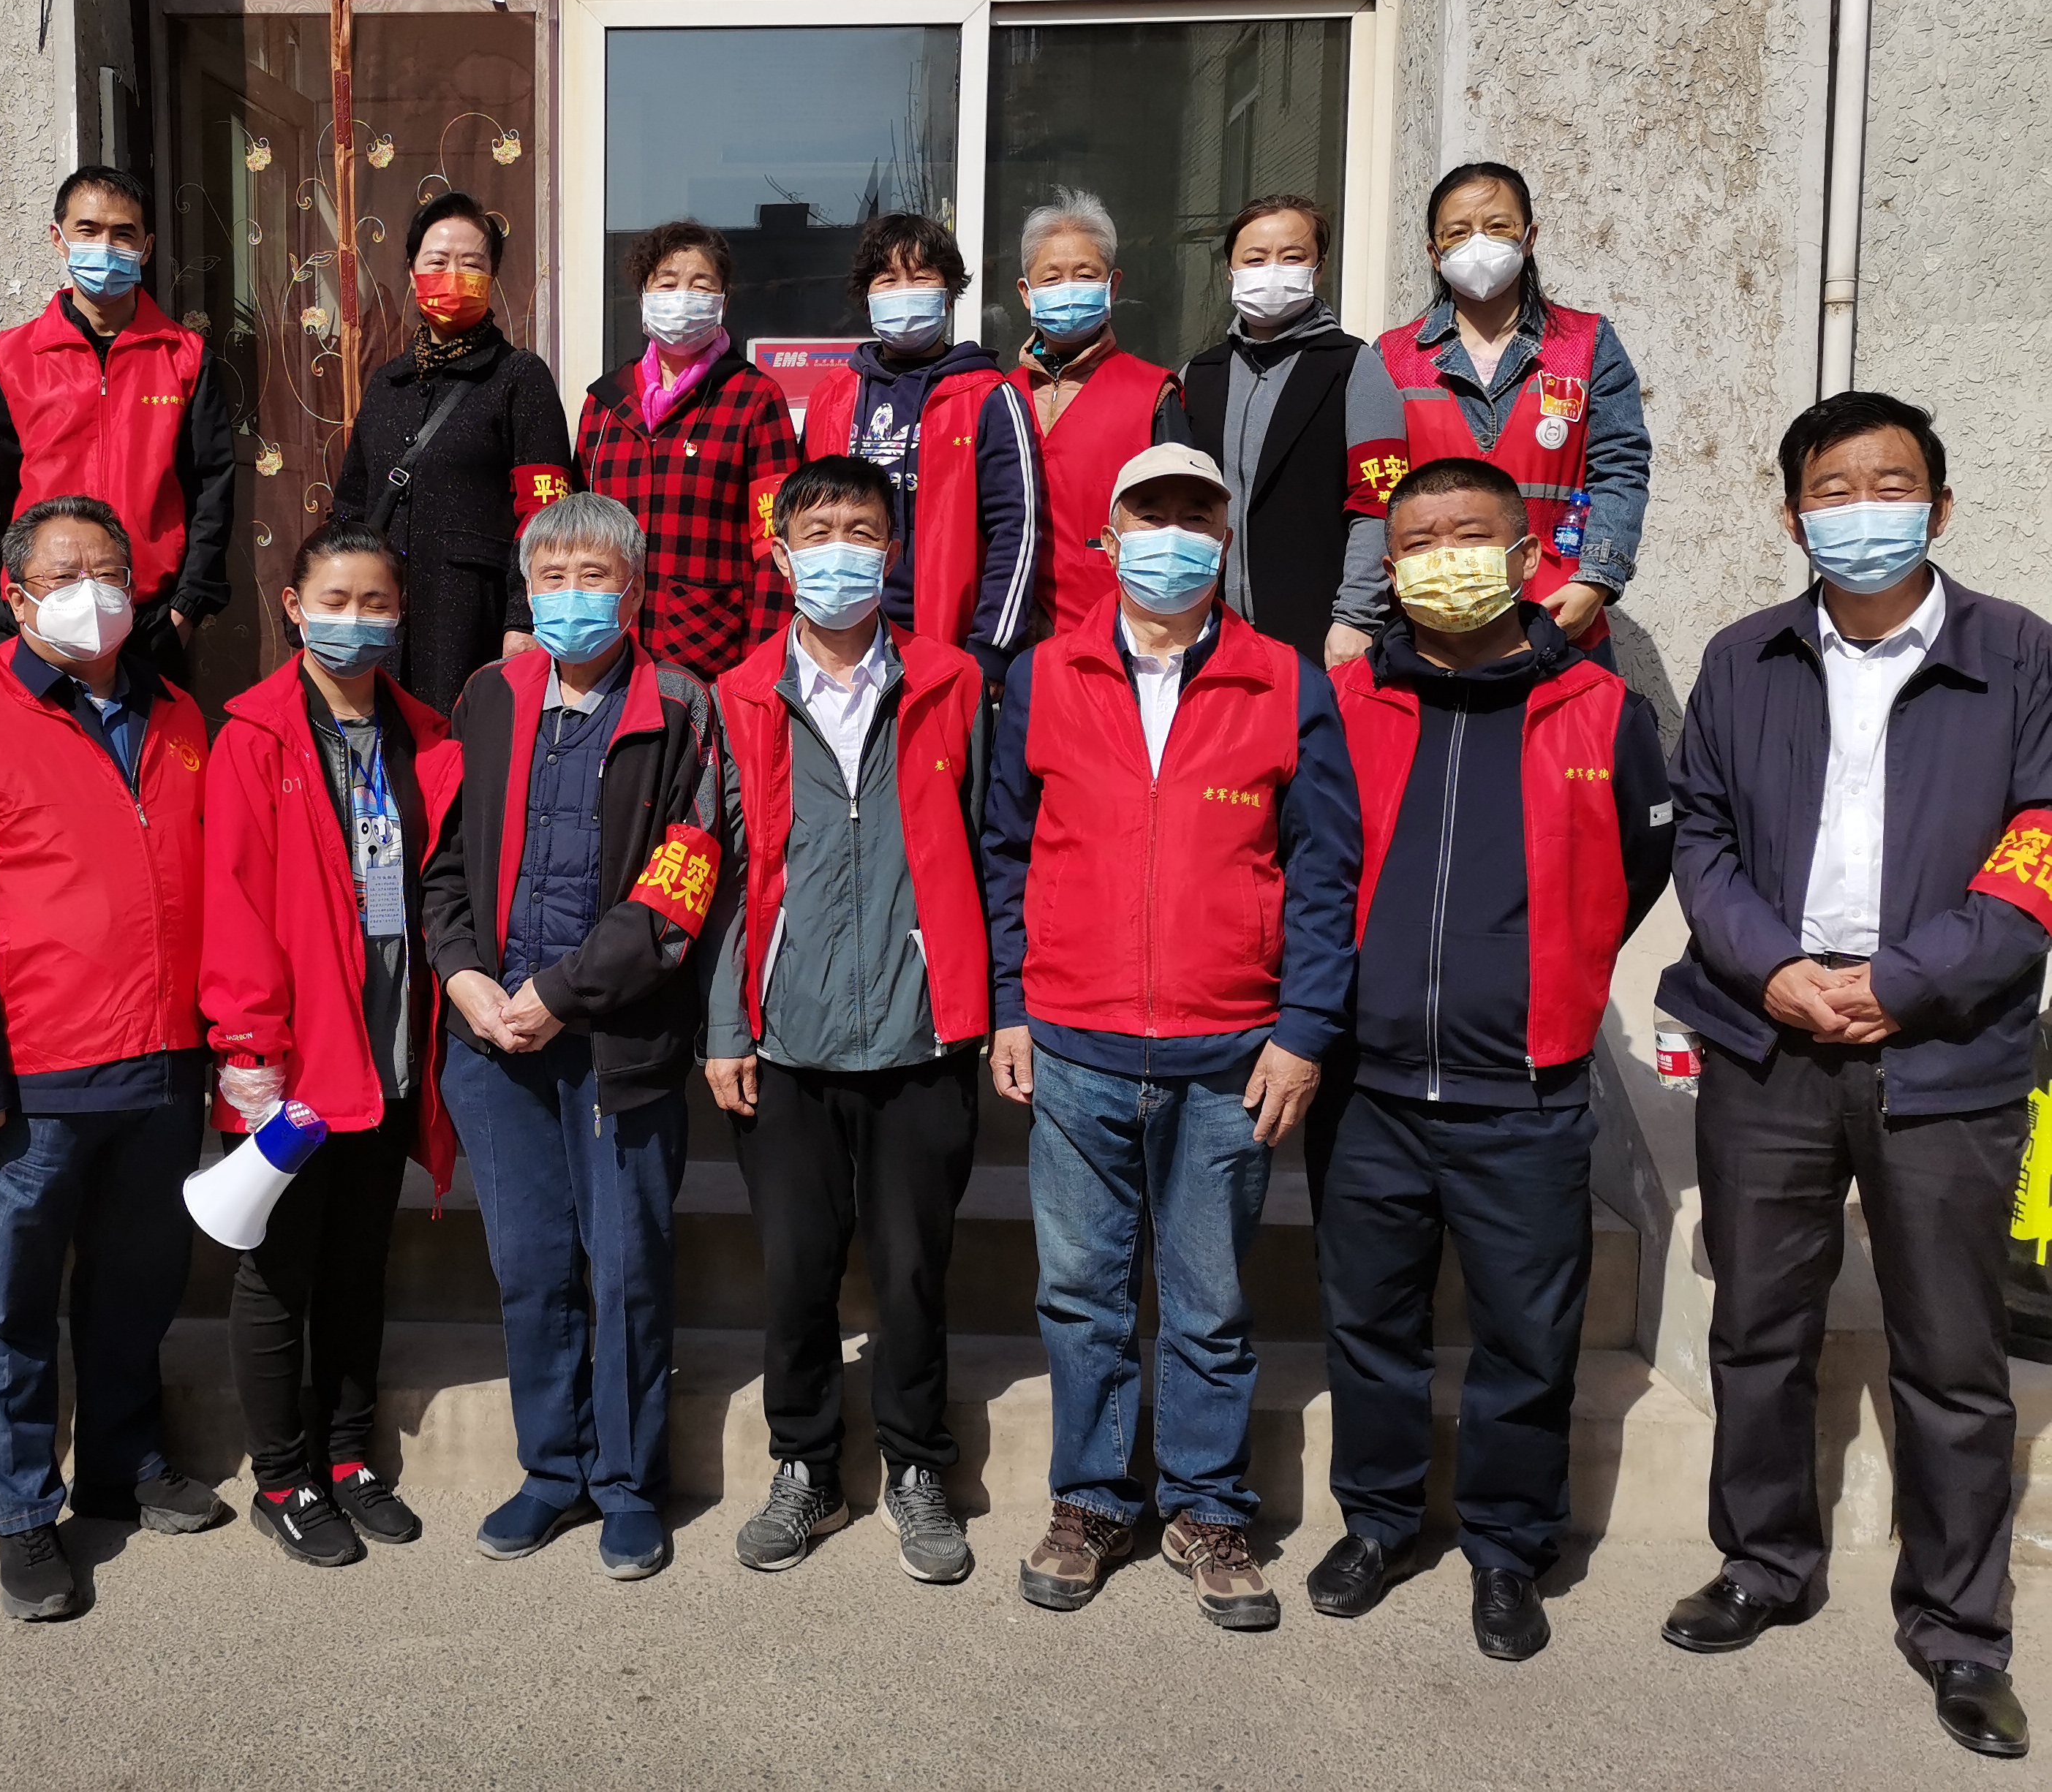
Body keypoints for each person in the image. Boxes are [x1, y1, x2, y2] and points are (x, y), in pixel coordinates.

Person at [1655, 392, 2047, 1762]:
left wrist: (1908, 981)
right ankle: (1765, 1561)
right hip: (1770, 1038)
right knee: (1760, 1326)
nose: (1863, 509)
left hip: (1945, 1049)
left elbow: (2042, 842)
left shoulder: (2020, 655)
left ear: (1939, 506)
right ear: (1792, 515)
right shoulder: (1743, 657)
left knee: (1953, 1355)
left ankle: (1960, 1629)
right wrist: (1772, 967)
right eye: (1834, 489)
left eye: (1892, 485)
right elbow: (1700, 836)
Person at [983, 442, 1359, 1633]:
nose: (1174, 538)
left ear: (1226, 540)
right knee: (1082, 1295)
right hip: (1077, 1043)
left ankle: (1205, 1508)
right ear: (1109, 537)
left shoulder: (1283, 682)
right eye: (1151, 516)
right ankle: (1093, 1501)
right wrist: (1008, 1003)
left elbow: (1325, 871)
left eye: (1197, 516)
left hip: (1230, 1051)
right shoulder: (1043, 677)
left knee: (1209, 1301)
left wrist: (1304, 1031)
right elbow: (1004, 851)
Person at [1302, 457, 1673, 1662]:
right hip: (1369, 1092)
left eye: (1467, 536)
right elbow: (1312, 867)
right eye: (1417, 543)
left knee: (1527, 1337)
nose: (1443, 561)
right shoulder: (1347, 702)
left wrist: (1546, 970)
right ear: (1390, 568)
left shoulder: (1602, 710)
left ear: (1523, 555)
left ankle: (1510, 1549)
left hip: (1526, 1094)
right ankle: (1378, 1522)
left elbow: (1634, 871)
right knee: (1371, 1326)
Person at [0, 493, 232, 1623]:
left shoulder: (179, 712)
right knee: (6, 1302)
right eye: (65, 575)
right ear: (15, 593)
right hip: (37, 1069)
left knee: (138, 1284)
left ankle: (124, 1464)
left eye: (112, 573)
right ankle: (23, 1512)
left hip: (166, 1056)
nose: (94, 595)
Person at [420, 491, 723, 1581]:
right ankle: (552, 1470)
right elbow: (445, 861)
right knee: (530, 1266)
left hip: (614, 1044)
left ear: (634, 593)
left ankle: (630, 1483)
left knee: (627, 1266)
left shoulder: (682, 707)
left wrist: (561, 991)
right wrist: (461, 974)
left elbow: (681, 888)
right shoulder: (489, 696)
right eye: (552, 578)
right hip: (493, 1040)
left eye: (596, 577)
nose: (572, 597)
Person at [703, 455, 990, 1586]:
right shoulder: (738, 693)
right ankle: (807, 1468)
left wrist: (985, 1003)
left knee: (914, 1268)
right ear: (780, 555)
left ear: (893, 549)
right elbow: (719, 869)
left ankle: (917, 1466)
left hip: (922, 1031)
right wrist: (726, 1024)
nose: (839, 553)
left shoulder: (951, 681)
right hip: (786, 1036)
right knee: (796, 1270)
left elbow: (989, 848)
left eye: (861, 532)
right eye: (817, 533)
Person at [201, 520, 456, 1570]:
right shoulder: (255, 737)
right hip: (293, 1054)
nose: (357, 620)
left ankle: (349, 1457)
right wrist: (248, 1047)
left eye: (376, 603)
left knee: (358, 1261)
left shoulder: (424, 734)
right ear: (294, 608)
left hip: (389, 1035)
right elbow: (233, 902)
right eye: (336, 602)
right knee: (279, 1268)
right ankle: (282, 1477)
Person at [1357, 162, 1652, 663]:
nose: (1479, 243)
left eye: (1498, 226)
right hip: (1430, 619)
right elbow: (1373, 496)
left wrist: (1597, 580)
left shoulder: (1587, 344)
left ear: (1529, 238)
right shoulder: (1393, 357)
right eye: (1457, 232)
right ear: (1434, 253)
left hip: (1556, 610)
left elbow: (1621, 468)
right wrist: (1362, 610)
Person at [0, 164, 236, 672]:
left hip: (146, 619)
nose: (105, 246)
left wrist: (187, 609)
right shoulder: (14, 355)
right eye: (88, 230)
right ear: (58, 239)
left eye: (123, 234)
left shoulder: (187, 359)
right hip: (33, 616)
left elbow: (211, 492)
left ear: (146, 248)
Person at [334, 189, 577, 712]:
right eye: (438, 261)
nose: (454, 275)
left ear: (492, 277)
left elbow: (546, 516)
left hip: (471, 620)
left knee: (459, 747)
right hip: (377, 618)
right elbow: (351, 506)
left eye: (472, 263)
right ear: (412, 271)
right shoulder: (388, 384)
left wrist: (523, 618)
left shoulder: (519, 377)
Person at [799, 212, 1042, 689]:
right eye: (888, 279)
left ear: (948, 293)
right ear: (867, 295)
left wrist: (991, 650)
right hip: (838, 645)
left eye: (921, 277)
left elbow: (1017, 529)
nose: (904, 291)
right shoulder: (833, 395)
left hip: (948, 648)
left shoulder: (989, 397)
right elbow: (801, 523)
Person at [1166, 194, 1403, 668]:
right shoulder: (1200, 374)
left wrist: (1356, 617)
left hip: (1323, 633)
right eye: (1255, 259)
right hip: (1210, 630)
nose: (1272, 270)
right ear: (1230, 271)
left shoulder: (1353, 367)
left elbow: (1381, 500)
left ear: (1319, 269)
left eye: (1292, 257)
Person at [572, 219, 800, 682]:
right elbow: (576, 528)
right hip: (607, 647)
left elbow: (777, 543)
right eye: (667, 283)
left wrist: (764, 662)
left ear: (723, 301)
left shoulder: (754, 398)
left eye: (701, 285)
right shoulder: (605, 402)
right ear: (644, 296)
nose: (682, 297)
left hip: (712, 650)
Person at [1003, 189, 1181, 630]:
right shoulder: (998, 395)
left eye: (1085, 275)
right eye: (1051, 278)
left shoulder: (1154, 393)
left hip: (1120, 623)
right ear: (1026, 292)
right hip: (1010, 624)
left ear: (1112, 285)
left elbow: (1181, 518)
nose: (1068, 289)